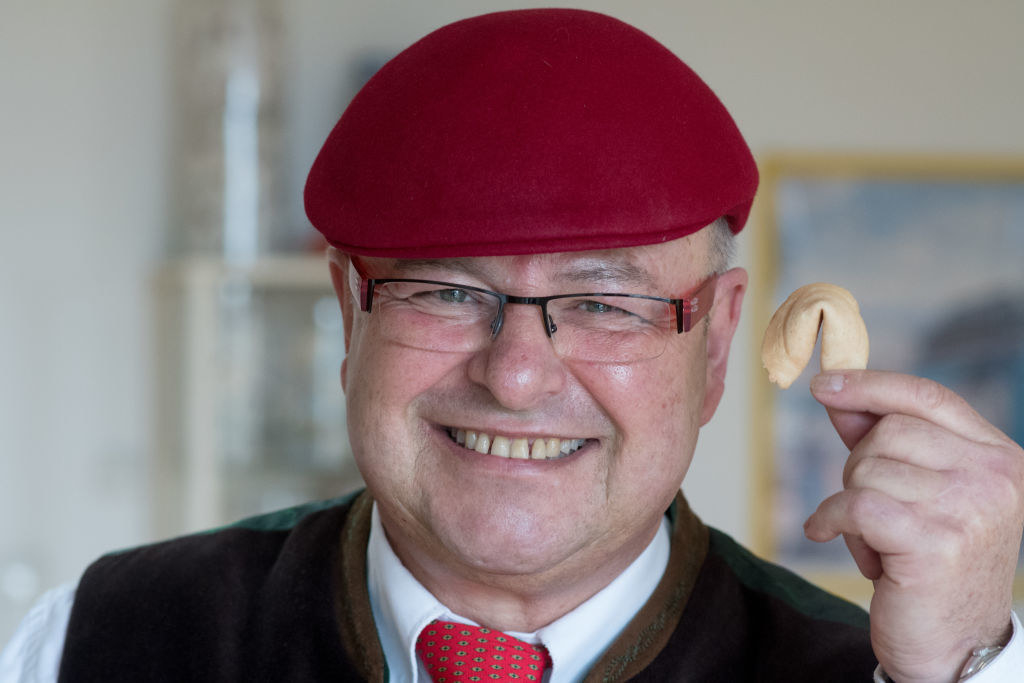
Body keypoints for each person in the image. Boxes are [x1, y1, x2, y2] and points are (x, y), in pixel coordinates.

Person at [3, 8, 1023, 682]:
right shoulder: (93, 641)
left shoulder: (890, 672)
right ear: (349, 315)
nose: (518, 373)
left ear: (714, 343)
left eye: (603, 303)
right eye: (447, 291)